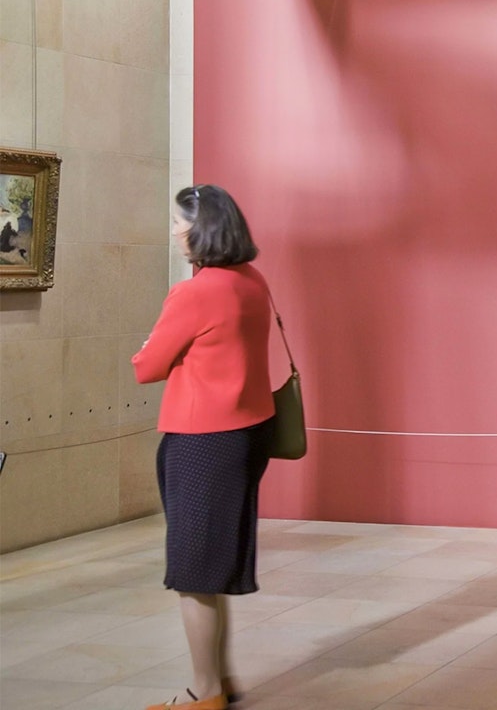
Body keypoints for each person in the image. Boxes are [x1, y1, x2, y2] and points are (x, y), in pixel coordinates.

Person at [132, 185, 275, 710]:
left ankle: (204, 692)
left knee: (193, 573)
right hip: (246, 434)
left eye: (179, 222)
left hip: (200, 441)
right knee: (214, 566)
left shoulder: (195, 291)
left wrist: (151, 347)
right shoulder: (252, 280)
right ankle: (224, 679)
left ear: (203, 227)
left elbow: (146, 367)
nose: (174, 231)